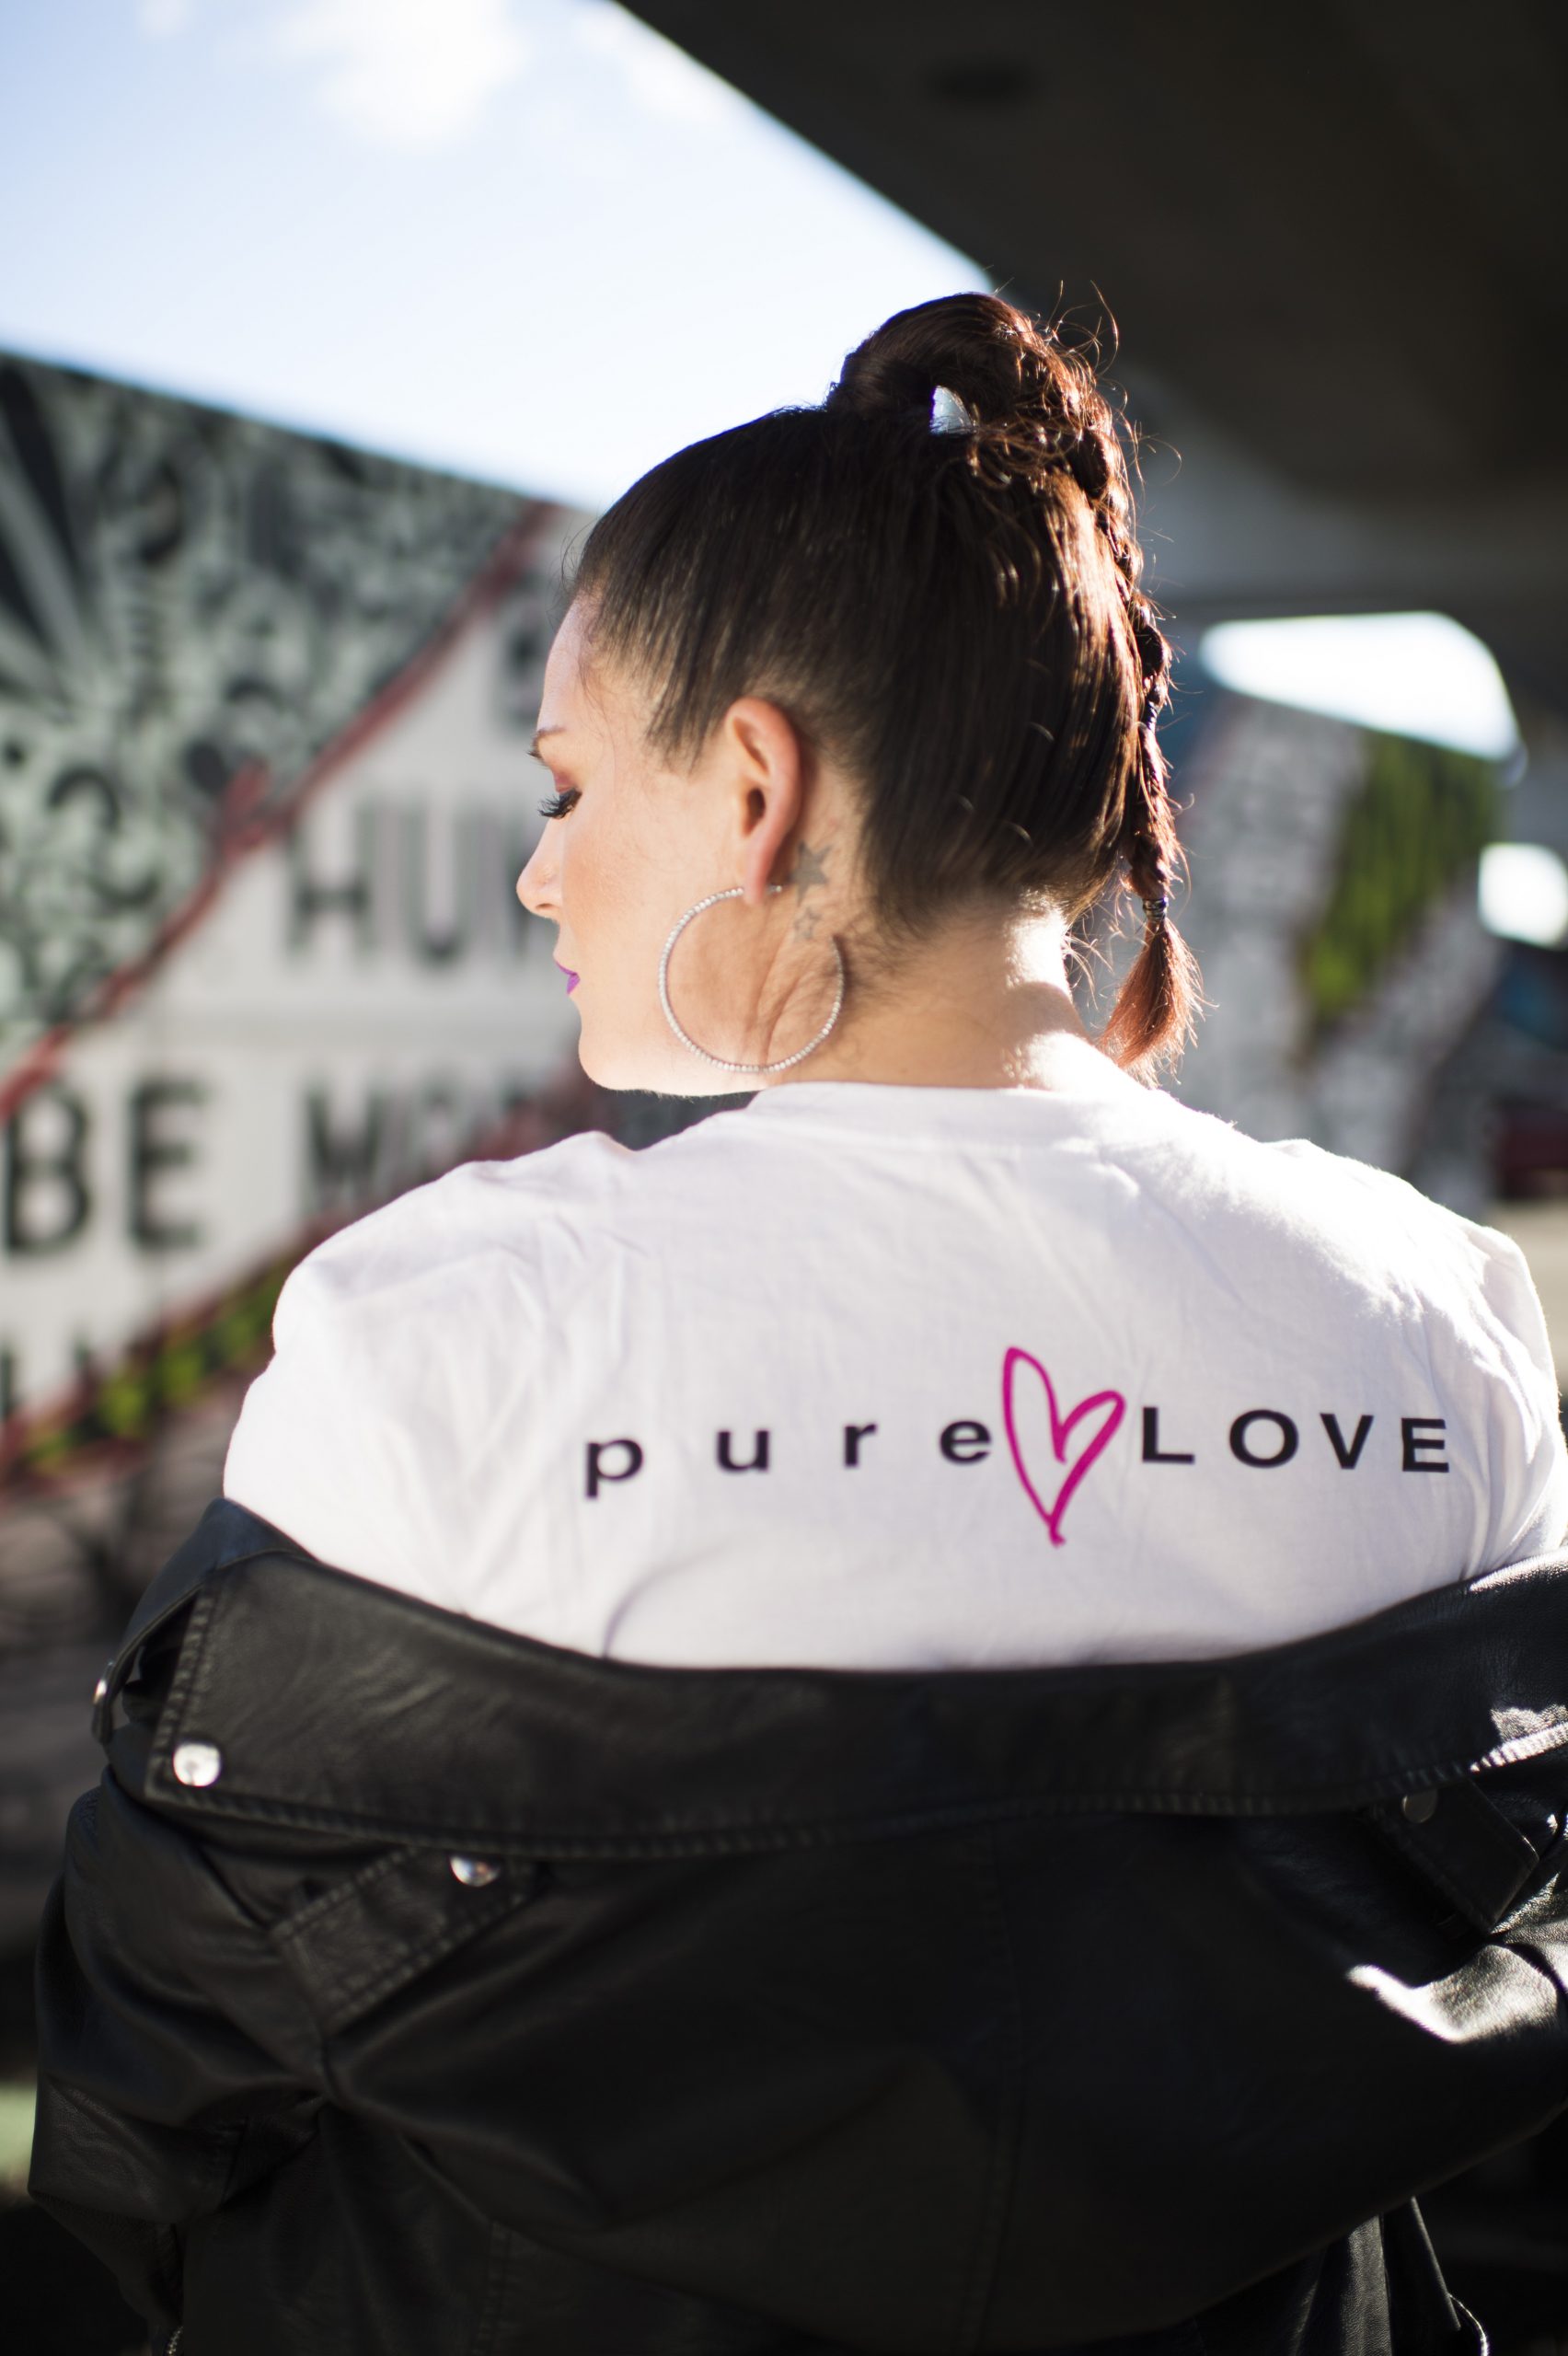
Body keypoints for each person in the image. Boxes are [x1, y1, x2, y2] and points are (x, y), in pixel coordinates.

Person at [28, 293, 1568, 2356]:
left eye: (569, 785)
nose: (542, 874)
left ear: (755, 784)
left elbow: (162, 2068)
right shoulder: (1443, 1328)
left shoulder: (450, 1330)